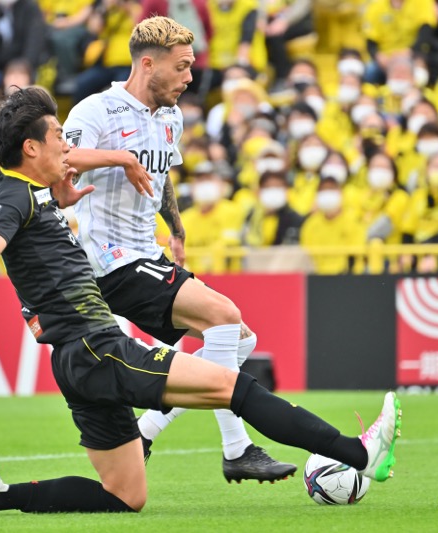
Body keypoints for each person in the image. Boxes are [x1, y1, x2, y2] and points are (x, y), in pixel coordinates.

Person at [0, 86, 402, 517]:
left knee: (124, 495)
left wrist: (60, 204)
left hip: (76, 362)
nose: (67, 146)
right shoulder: (12, 198)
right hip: (98, 349)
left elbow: (33, 249)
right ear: (31, 148)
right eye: (57, 139)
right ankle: (361, 455)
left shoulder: (35, 195)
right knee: (235, 388)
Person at [63, 16, 297, 483]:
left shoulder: (170, 115)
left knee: (239, 340)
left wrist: (177, 228)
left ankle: (144, 433)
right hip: (109, 260)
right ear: (148, 64)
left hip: (146, 252)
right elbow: (61, 160)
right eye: (182, 67)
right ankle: (238, 448)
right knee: (224, 317)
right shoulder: (97, 111)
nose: (191, 78)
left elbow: (162, 176)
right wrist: (120, 157)